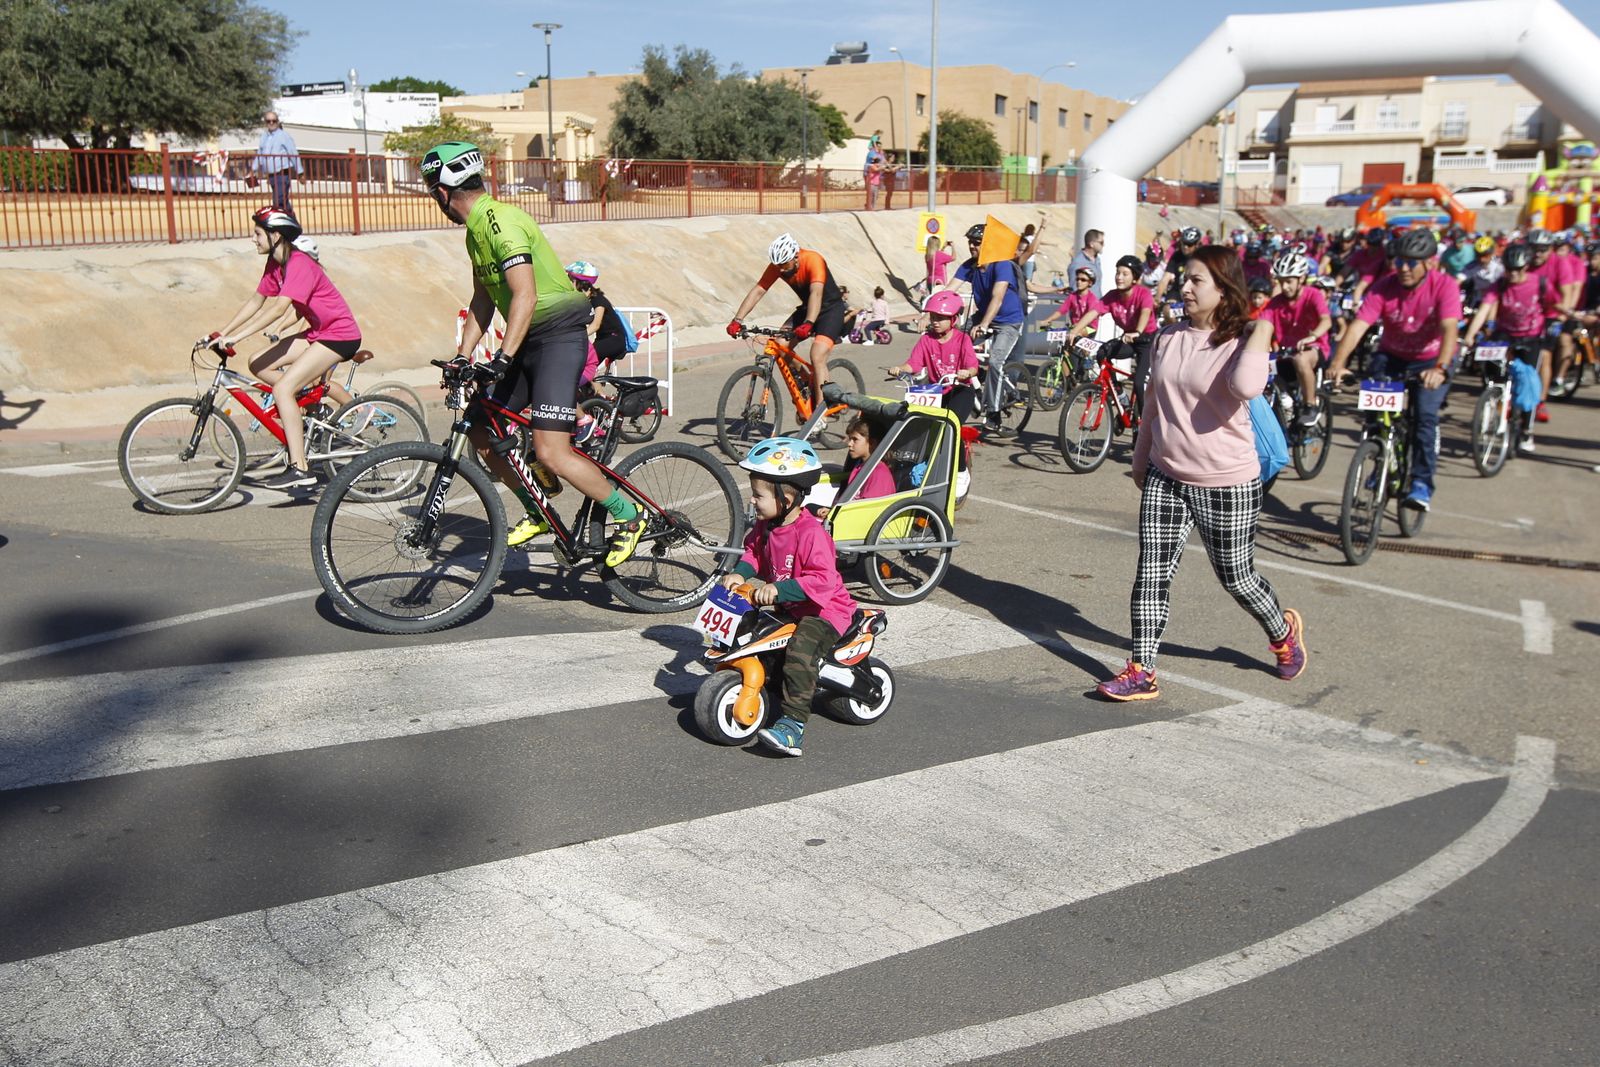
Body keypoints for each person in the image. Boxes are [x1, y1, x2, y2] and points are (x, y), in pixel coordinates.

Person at [1098, 245, 1306, 702]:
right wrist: (1141, 458)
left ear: (1224, 289)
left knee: (1237, 576)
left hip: (1227, 482)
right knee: (1151, 574)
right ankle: (1141, 669)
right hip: (1166, 475)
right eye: (1184, 278)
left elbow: (1247, 387)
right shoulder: (1169, 337)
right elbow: (1154, 403)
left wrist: (1264, 328)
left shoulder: (1240, 342)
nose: (1184, 287)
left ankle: (1281, 632)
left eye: (1197, 281)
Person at [422, 141, 644, 560]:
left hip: (557, 337)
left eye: (432, 190)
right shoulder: (475, 234)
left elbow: (523, 295)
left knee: (550, 451)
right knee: (483, 432)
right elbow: (483, 299)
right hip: (527, 340)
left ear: (442, 191)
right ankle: (537, 510)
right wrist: (462, 356)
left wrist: (501, 359)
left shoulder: (501, 222)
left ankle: (630, 515)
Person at [208, 206, 362, 491]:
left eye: (257, 234)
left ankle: (301, 468)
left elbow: (280, 309)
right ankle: (302, 400)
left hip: (339, 335)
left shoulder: (300, 263)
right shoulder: (275, 265)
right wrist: (222, 333)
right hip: (318, 333)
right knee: (257, 363)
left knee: (281, 390)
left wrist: (237, 338)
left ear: (275, 235)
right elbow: (256, 302)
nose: (253, 239)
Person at [722, 437, 858, 757]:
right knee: (753, 631)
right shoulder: (767, 526)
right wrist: (741, 572)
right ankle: (766, 686)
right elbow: (754, 552)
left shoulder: (812, 534)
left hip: (825, 610)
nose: (753, 501)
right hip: (790, 605)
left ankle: (793, 726)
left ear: (786, 496)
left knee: (800, 649)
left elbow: (823, 580)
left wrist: (779, 589)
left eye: (759, 495)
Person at [1328, 228, 1461, 513]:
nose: (1403, 268)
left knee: (1424, 418)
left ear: (1429, 263)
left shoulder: (1444, 285)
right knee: (1375, 414)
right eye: (1399, 261)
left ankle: (1422, 483)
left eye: (1411, 262)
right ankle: (1381, 459)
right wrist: (1338, 364)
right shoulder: (1383, 286)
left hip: (1431, 359)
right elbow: (1358, 327)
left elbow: (1450, 328)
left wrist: (1440, 367)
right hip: (1392, 356)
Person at [1461, 243, 1558, 451]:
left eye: (1517, 270)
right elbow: (1484, 309)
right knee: (1494, 375)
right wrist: (1470, 335)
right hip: (1504, 335)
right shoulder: (1500, 284)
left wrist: (1552, 324)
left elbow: (1552, 306)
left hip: (1531, 337)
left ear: (1526, 268)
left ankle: (1526, 430)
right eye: (1509, 269)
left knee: (1529, 383)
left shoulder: (1540, 283)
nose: (1512, 274)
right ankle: (1495, 401)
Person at [729, 233, 847, 393]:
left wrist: (809, 323)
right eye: (778, 266)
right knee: (779, 344)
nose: (781, 269)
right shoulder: (778, 266)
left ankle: (821, 415)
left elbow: (816, 293)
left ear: (796, 256)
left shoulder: (813, 259)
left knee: (817, 355)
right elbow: (759, 290)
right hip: (807, 309)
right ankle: (806, 377)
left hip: (831, 310)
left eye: (785, 264)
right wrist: (737, 319)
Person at [952, 222, 1028, 436]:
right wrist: (926, 313)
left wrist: (984, 325)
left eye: (976, 243)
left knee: (996, 360)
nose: (972, 246)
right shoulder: (970, 266)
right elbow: (949, 290)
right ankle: (978, 382)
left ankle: (994, 415)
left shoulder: (1001, 264)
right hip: (982, 317)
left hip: (1008, 321)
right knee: (955, 345)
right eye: (970, 242)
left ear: (988, 245)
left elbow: (998, 296)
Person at [1257, 251, 1333, 426]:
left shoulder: (1314, 295)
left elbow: (1326, 321)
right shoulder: (1276, 301)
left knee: (1301, 360)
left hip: (1314, 348)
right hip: (1285, 352)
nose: (1285, 287)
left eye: (1289, 281)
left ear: (1302, 279)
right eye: (1281, 282)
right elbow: (1261, 322)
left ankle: (1310, 405)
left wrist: (1312, 336)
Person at [887, 290, 981, 424]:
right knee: (921, 423)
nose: (935, 322)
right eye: (933, 317)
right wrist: (899, 369)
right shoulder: (926, 339)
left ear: (953, 319)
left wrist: (967, 373)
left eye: (940, 318)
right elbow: (914, 364)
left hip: (960, 390)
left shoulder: (963, 339)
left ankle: (957, 444)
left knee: (951, 426)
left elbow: (973, 367)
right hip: (936, 391)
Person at [1101, 254, 1159, 410]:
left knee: (1139, 383)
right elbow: (1094, 311)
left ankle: (1142, 424)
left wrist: (1138, 332)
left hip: (1147, 341)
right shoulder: (1112, 295)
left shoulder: (1143, 293)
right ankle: (1120, 396)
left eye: (1124, 274)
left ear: (1134, 278)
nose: (1119, 277)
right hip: (1128, 340)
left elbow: (1146, 312)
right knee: (1102, 353)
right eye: (1117, 273)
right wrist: (1075, 330)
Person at [565, 260, 628, 380]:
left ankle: (598, 394)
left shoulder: (598, 300)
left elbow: (595, 325)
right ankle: (590, 394)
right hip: (603, 339)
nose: (569, 283)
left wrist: (576, 336)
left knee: (584, 362)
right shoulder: (585, 300)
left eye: (571, 280)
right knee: (581, 363)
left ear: (579, 283)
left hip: (614, 339)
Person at [251, 112, 302, 214]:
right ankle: (292, 224)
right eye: (268, 121)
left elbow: (293, 153)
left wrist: (300, 172)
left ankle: (287, 224)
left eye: (274, 121)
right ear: (265, 122)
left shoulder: (283, 136)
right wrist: (253, 169)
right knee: (282, 202)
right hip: (271, 176)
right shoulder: (264, 137)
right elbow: (260, 153)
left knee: (279, 202)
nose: (271, 123)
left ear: (277, 122)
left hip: (282, 174)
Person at [1038, 265, 1105, 339]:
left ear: (1090, 283)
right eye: (1077, 279)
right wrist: (1048, 320)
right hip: (1074, 327)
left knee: (1075, 334)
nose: (1079, 282)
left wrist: (1077, 327)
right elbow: (1061, 311)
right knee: (1064, 337)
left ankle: (1083, 350)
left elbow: (1089, 318)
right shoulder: (1072, 296)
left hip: (1089, 328)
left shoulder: (1092, 299)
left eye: (1083, 280)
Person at [1153, 226, 1204, 302]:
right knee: (1168, 308)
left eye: (1189, 244)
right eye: (1183, 243)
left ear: (1197, 244)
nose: (1185, 247)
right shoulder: (1177, 255)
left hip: (1196, 292)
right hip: (1177, 292)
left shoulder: (1203, 258)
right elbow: (1166, 277)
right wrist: (1157, 298)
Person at [1068, 228, 1105, 297]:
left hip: (1098, 305)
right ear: (1091, 244)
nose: (1103, 245)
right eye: (1101, 242)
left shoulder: (1097, 260)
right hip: (1085, 307)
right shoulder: (1077, 263)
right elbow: (1074, 290)